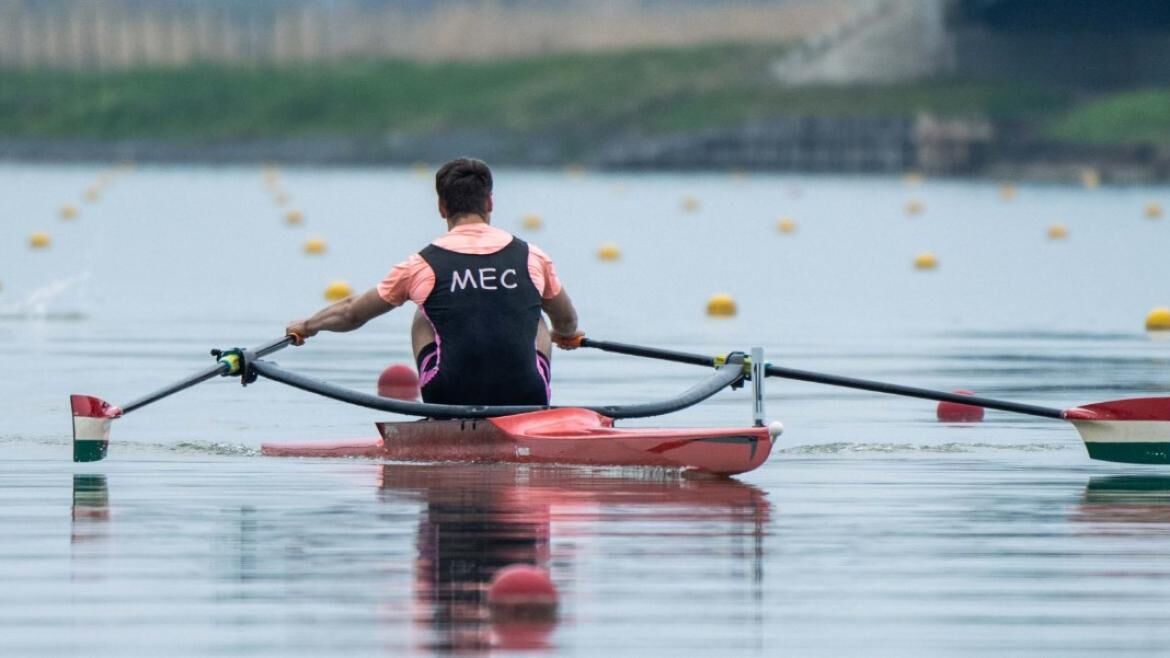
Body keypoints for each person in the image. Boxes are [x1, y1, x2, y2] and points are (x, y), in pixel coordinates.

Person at [285, 157, 582, 406]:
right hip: (526, 395)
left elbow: (352, 312)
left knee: (423, 315)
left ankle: (446, 412)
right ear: (489, 202)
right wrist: (566, 335)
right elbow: (567, 318)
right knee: (540, 316)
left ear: (441, 207)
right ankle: (530, 416)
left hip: (448, 397)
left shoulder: (420, 265)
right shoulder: (533, 257)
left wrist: (307, 326)